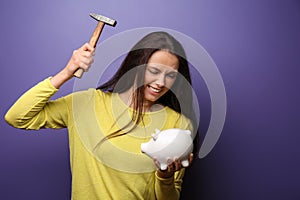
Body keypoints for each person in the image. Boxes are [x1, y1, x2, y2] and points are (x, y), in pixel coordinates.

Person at [5, 31, 199, 200]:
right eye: (154, 71)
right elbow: (17, 117)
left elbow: (171, 197)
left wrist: (165, 178)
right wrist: (66, 72)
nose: (161, 82)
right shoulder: (86, 104)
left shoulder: (178, 124)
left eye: (171, 75)